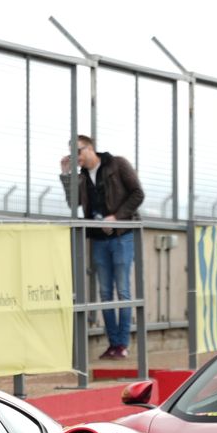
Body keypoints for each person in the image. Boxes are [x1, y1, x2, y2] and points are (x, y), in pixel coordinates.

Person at [59, 134, 145, 360]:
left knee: (123, 291)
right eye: (72, 154)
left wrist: (117, 217)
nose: (76, 157)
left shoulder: (117, 164)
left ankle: (123, 344)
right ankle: (113, 343)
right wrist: (66, 175)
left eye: (78, 152)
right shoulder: (82, 177)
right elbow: (73, 203)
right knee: (105, 293)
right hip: (98, 239)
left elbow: (138, 193)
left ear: (89, 149)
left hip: (122, 236)